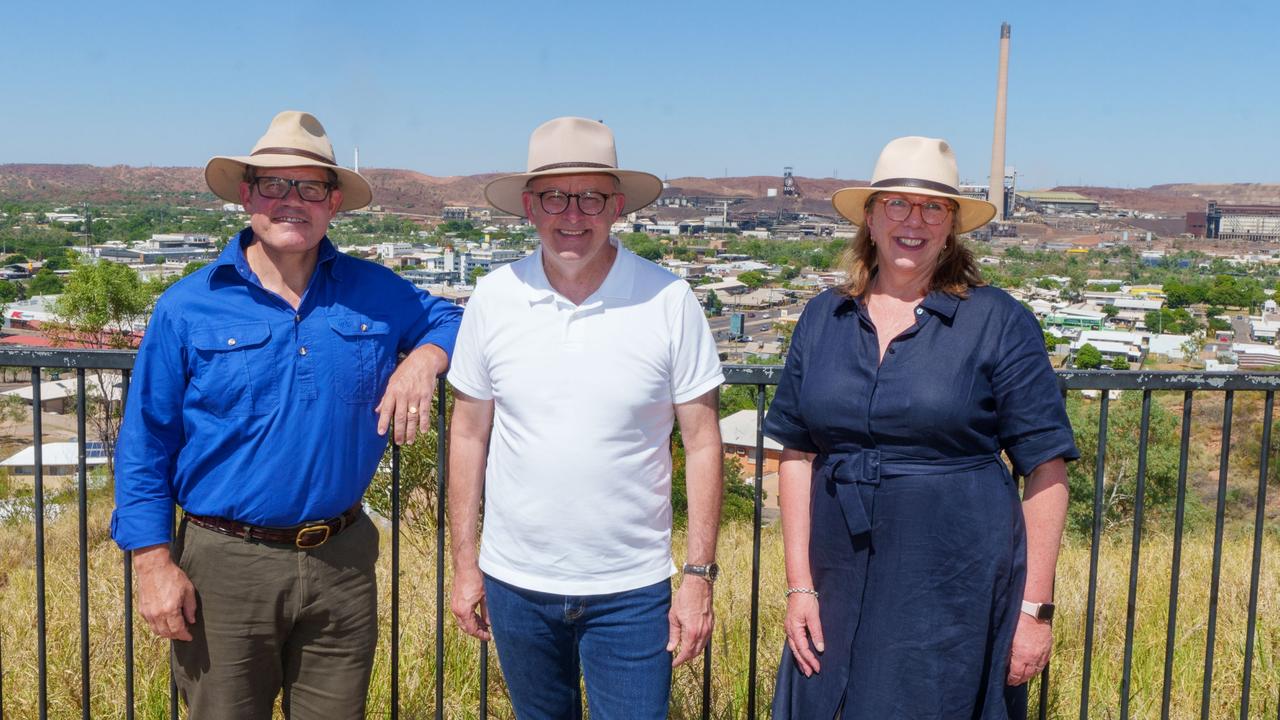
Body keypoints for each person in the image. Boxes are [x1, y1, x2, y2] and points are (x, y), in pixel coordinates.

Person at [111, 110, 462, 719]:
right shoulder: (188, 306)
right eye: (274, 185)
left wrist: (424, 359)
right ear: (247, 195)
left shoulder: (376, 290)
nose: (290, 201)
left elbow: (453, 319)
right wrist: (152, 562)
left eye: (309, 187)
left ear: (333, 203)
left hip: (343, 559)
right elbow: (147, 442)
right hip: (226, 565)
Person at [765, 136, 1078, 719]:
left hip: (952, 579)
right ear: (871, 215)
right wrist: (800, 586)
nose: (915, 221)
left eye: (933, 207)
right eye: (898, 205)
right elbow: (797, 454)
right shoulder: (822, 317)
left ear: (953, 223)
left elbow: (1047, 469)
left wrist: (1035, 610)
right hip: (834, 575)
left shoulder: (998, 321)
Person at [447, 116, 725, 719]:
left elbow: (704, 443)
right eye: (554, 196)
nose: (572, 214)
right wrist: (465, 565)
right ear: (529, 207)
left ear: (617, 206)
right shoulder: (494, 297)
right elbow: (467, 434)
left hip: (631, 590)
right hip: (515, 584)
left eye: (591, 197)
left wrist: (698, 576)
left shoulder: (669, 300)